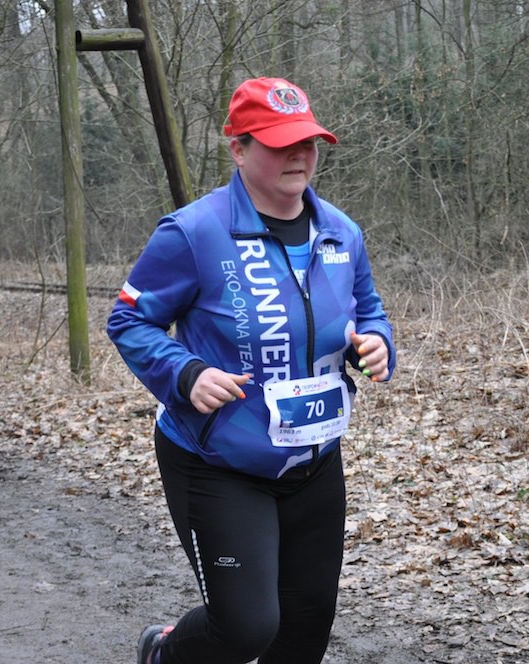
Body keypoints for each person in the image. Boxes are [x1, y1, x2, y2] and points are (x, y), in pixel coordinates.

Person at [106, 77, 396, 664]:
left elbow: (368, 310)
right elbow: (128, 320)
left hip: (315, 459)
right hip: (219, 462)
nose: (299, 155)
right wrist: (186, 373)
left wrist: (378, 343)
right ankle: (161, 653)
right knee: (245, 629)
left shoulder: (341, 233)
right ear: (238, 149)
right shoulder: (193, 233)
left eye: (307, 142)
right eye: (280, 143)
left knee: (305, 631)